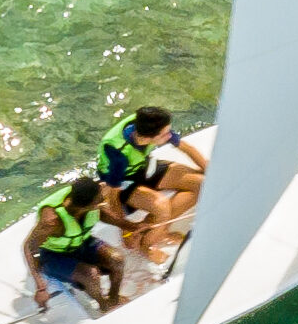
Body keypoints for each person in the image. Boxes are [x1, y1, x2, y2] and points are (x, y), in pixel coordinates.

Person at [93, 104, 209, 268]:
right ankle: (145, 245)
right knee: (162, 207)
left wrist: (209, 171)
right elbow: (113, 196)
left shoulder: (148, 125)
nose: (170, 135)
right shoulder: (118, 154)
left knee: (202, 183)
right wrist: (125, 231)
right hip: (124, 182)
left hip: (142, 167)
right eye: (165, 133)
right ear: (148, 138)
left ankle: (155, 230)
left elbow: (185, 147)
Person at [23, 172, 134, 313]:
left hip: (81, 243)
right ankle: (103, 305)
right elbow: (29, 247)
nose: (103, 198)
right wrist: (40, 286)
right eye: (98, 200)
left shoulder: (89, 192)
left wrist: (135, 227)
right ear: (86, 206)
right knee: (91, 275)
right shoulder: (52, 221)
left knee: (117, 259)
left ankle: (114, 299)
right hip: (53, 255)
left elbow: (107, 215)